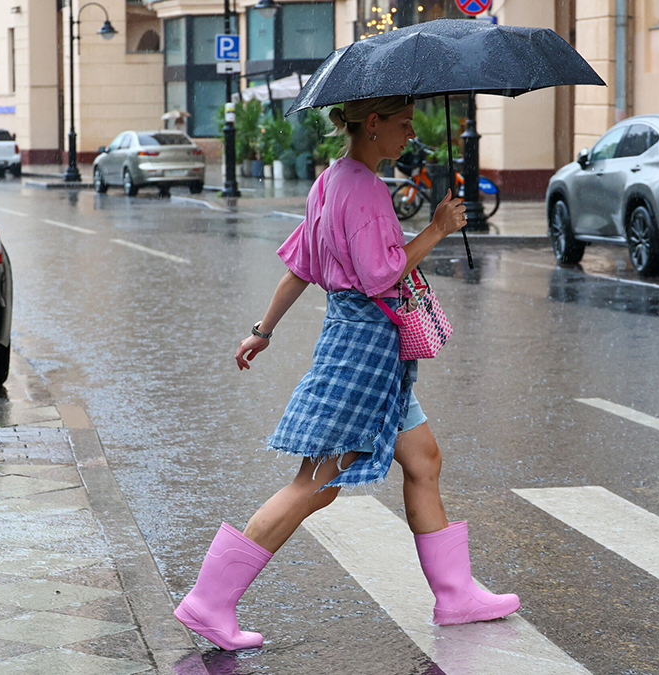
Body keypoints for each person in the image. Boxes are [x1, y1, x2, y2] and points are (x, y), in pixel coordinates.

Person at [173, 95, 520, 652]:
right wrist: (437, 228)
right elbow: (382, 275)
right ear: (373, 123)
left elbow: (301, 268)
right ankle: (209, 601)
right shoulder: (363, 187)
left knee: (424, 459)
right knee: (314, 485)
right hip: (363, 352)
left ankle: (455, 596)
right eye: (403, 125)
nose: (410, 134)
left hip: (373, 352)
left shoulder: (330, 180)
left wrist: (263, 331)